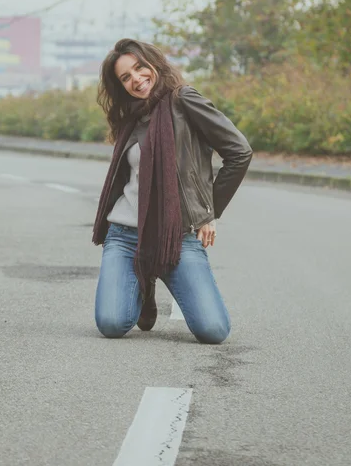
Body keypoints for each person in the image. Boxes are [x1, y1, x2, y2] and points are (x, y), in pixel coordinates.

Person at [92, 39, 252, 344]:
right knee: (112, 324)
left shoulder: (184, 100)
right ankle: (142, 279)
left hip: (176, 236)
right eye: (125, 77)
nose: (136, 79)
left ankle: (155, 266)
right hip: (125, 236)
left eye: (139, 67)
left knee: (213, 331)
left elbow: (239, 151)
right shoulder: (132, 117)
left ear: (153, 63)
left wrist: (208, 211)